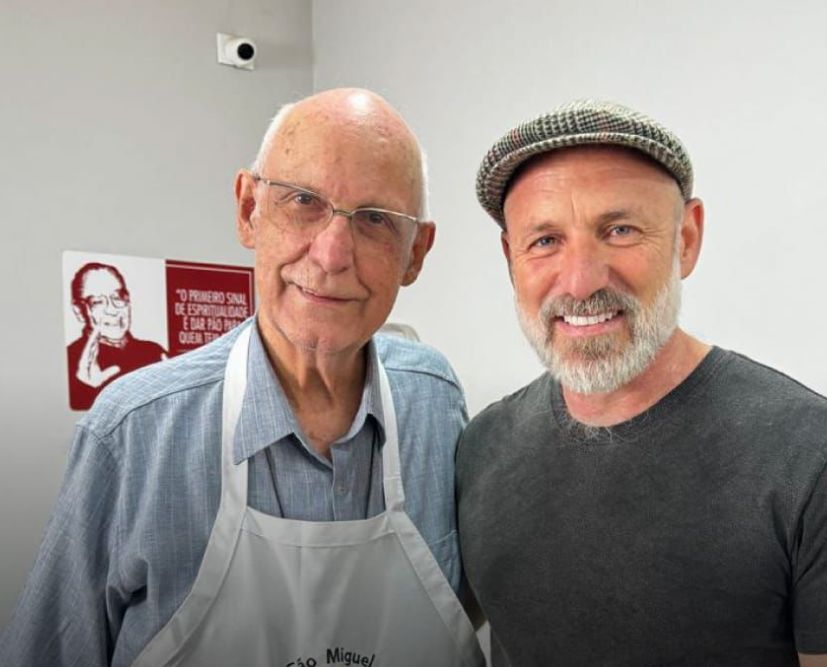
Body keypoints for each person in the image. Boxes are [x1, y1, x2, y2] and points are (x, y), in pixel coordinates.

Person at [1, 89, 484, 667]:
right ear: (248, 209)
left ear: (416, 253)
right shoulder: (135, 432)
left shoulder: (436, 404)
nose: (331, 254)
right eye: (304, 200)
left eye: (375, 219)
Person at [457, 100, 827, 666]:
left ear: (686, 239)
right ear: (511, 258)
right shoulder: (480, 448)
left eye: (619, 229)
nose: (581, 281)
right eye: (544, 241)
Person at [67, 262, 168, 410]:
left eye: (118, 297)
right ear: (79, 311)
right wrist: (86, 388)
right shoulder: (70, 359)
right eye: (98, 302)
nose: (113, 310)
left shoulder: (154, 353)